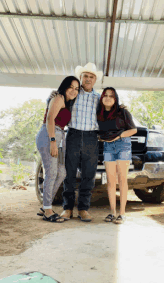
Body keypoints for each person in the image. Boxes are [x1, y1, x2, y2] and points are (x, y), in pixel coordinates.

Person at [59, 63, 103, 222]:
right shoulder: (73, 95)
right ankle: (67, 208)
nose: (88, 79)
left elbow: (111, 112)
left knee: (89, 175)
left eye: (91, 77)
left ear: (95, 80)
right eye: (85, 76)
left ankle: (83, 209)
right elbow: (58, 102)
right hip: (73, 135)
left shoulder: (99, 98)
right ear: (81, 78)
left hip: (92, 138)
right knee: (69, 174)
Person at [36, 76, 80, 223]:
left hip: (61, 136)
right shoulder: (59, 98)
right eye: (71, 87)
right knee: (52, 172)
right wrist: (53, 141)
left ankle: (45, 205)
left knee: (61, 172)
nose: (74, 91)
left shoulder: (67, 102)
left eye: (76, 89)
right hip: (50, 135)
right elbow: (50, 119)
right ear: (65, 87)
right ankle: (48, 210)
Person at [97, 87, 137, 224]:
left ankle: (122, 214)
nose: (108, 98)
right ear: (102, 98)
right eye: (105, 95)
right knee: (110, 180)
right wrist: (102, 138)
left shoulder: (122, 112)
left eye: (111, 96)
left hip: (123, 145)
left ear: (115, 99)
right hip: (108, 146)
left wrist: (119, 136)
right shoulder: (99, 114)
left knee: (122, 179)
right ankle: (112, 212)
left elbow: (133, 130)